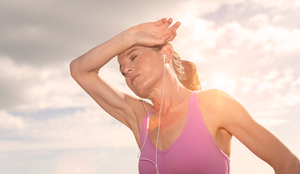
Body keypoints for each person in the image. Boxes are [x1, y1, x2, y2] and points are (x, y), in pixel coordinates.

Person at [70, 18, 300, 174]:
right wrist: (129, 36)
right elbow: (80, 70)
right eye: (121, 70)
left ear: (165, 54)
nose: (126, 70)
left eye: (134, 57)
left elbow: (289, 164)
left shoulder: (213, 104)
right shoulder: (140, 118)